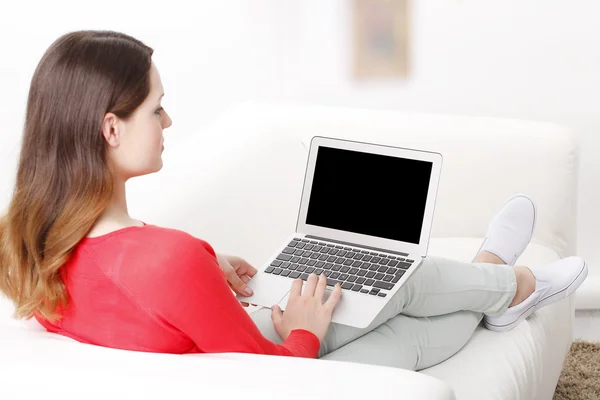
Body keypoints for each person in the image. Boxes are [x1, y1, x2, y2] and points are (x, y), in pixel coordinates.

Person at [0, 30, 588, 370]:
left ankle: (497, 283)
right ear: (110, 129)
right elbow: (271, 377)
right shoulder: (163, 259)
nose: (168, 120)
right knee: (404, 295)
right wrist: (304, 330)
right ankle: (510, 282)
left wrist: (205, 266)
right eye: (156, 108)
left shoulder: (34, 247)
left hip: (226, 326)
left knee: (393, 289)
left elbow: (129, 287)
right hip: (283, 352)